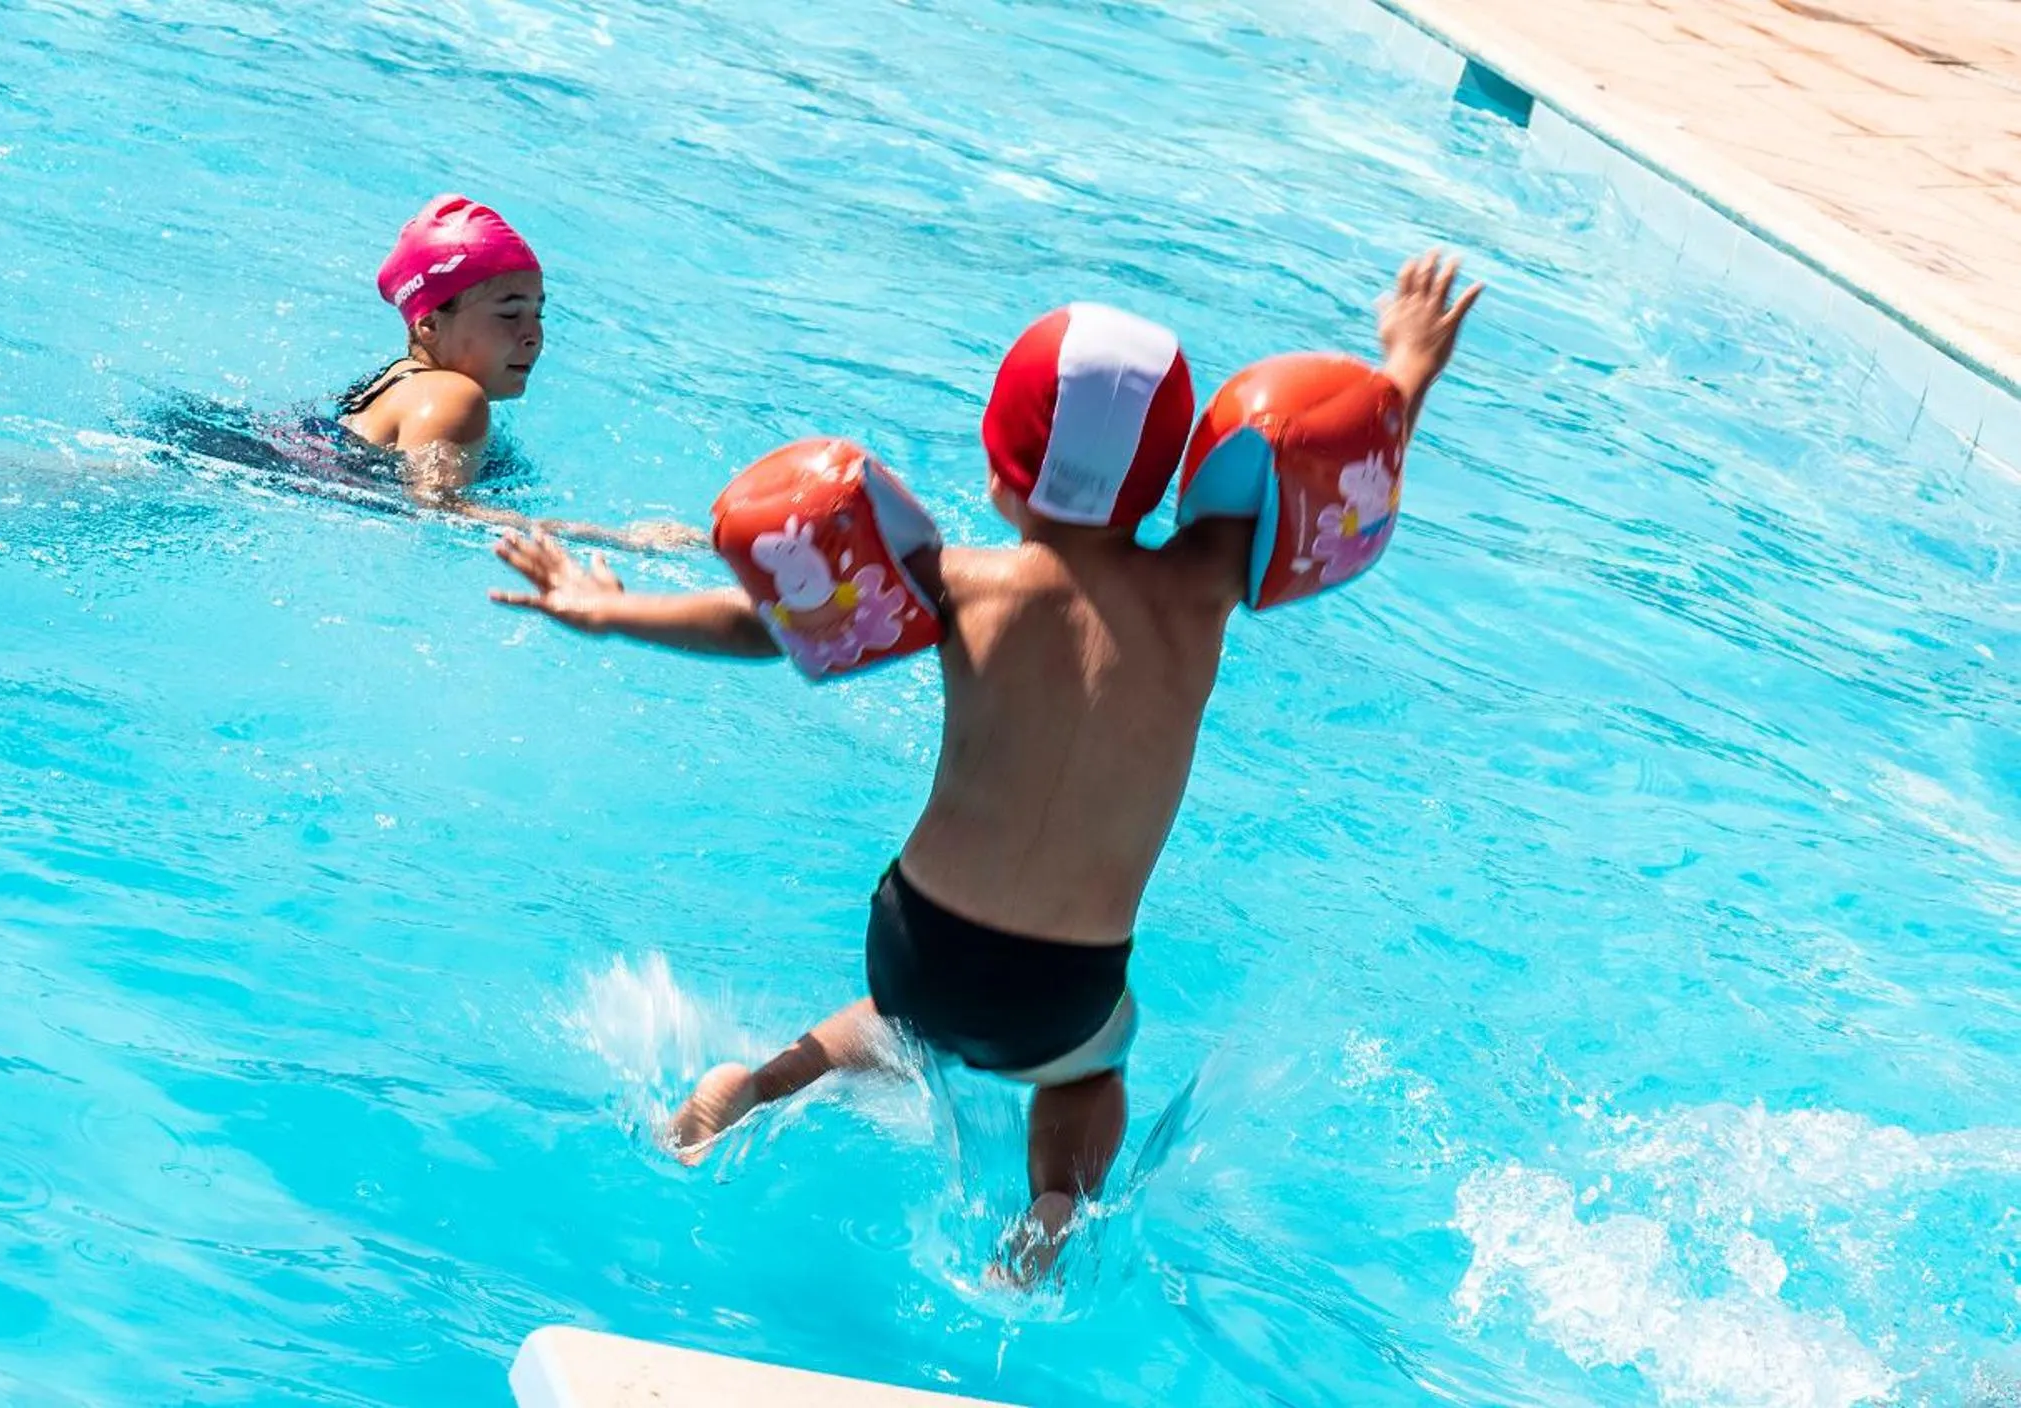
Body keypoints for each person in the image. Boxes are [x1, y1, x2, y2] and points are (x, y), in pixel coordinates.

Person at [491, 252, 1481, 1280]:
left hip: (915, 943)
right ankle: (1053, 1206)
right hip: (1065, 985)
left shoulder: (967, 586)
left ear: (1002, 468)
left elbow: (772, 626)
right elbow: (1329, 445)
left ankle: (761, 1084)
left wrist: (610, 611)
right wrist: (1407, 365)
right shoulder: (1203, 584)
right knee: (1090, 1074)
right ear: (1165, 478)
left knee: (888, 1022)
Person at [325, 194, 697, 550]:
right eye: (508, 314)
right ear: (430, 326)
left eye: (538, 314)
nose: (533, 335)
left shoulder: (393, 385)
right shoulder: (451, 395)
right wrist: (628, 541)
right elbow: (435, 511)